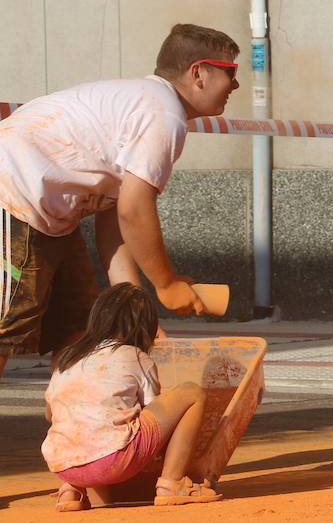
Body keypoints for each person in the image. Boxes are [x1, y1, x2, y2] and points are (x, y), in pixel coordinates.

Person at [0, 23, 240, 377]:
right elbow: (135, 211)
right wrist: (167, 284)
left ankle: (76, 423)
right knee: (7, 325)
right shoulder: (163, 114)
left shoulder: (146, 104)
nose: (235, 84)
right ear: (198, 73)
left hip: (44, 213)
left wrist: (137, 309)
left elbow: (116, 223)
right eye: (230, 72)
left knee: (79, 324)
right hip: (12, 197)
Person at [42, 283, 220, 510]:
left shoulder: (68, 357)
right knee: (191, 392)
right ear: (145, 327)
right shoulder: (134, 355)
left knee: (72, 415)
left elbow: (50, 413)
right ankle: (171, 484)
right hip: (115, 460)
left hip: (62, 464)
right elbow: (154, 411)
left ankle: (70, 492)